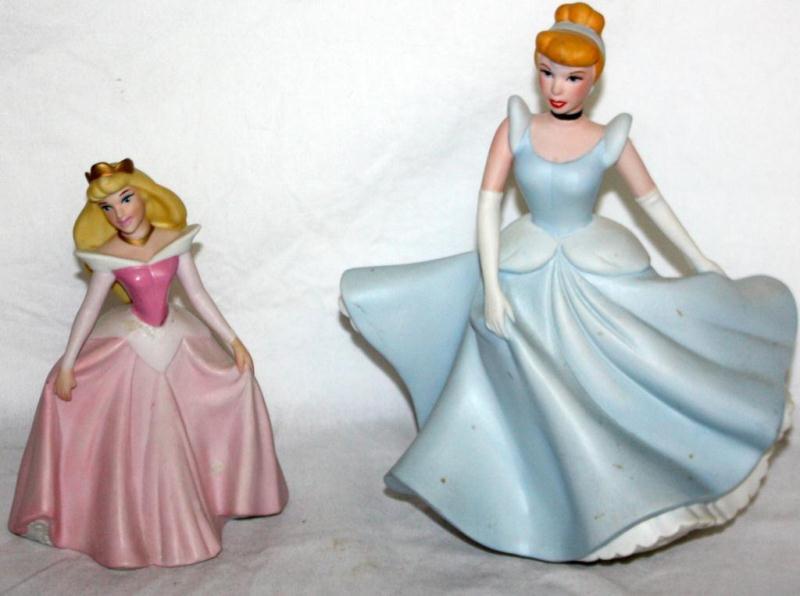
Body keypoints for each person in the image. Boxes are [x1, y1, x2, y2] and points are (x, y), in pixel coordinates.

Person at [340, 2, 796, 561]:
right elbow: (487, 207)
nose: (557, 88)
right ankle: (530, 489)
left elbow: (652, 203)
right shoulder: (516, 128)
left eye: (573, 77)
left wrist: (699, 259)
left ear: (593, 80)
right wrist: (493, 286)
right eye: (548, 73)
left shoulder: (609, 138)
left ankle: (622, 484)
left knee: (628, 361)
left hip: (593, 260)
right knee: (507, 356)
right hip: (523, 263)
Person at [8, 159, 288, 568]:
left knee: (232, 381)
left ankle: (232, 492)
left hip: (176, 336)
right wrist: (67, 364)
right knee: (116, 418)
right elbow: (89, 310)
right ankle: (102, 517)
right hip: (132, 341)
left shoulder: (174, 241)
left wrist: (233, 341)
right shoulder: (108, 256)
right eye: (108, 207)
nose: (119, 213)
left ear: (144, 196)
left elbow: (197, 295)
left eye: (125, 199)